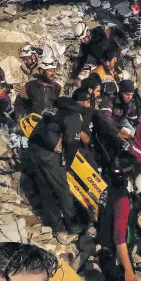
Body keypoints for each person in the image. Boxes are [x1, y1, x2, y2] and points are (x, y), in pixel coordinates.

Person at [96, 153, 141, 281]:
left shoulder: (107, 191)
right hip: (116, 256)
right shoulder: (123, 198)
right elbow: (119, 237)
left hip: (106, 251)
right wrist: (128, 269)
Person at [27, 96, 82, 235]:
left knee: (45, 188)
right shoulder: (73, 116)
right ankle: (73, 225)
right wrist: (66, 166)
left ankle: (56, 225)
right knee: (62, 189)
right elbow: (72, 144)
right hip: (49, 155)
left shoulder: (54, 109)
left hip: (34, 148)